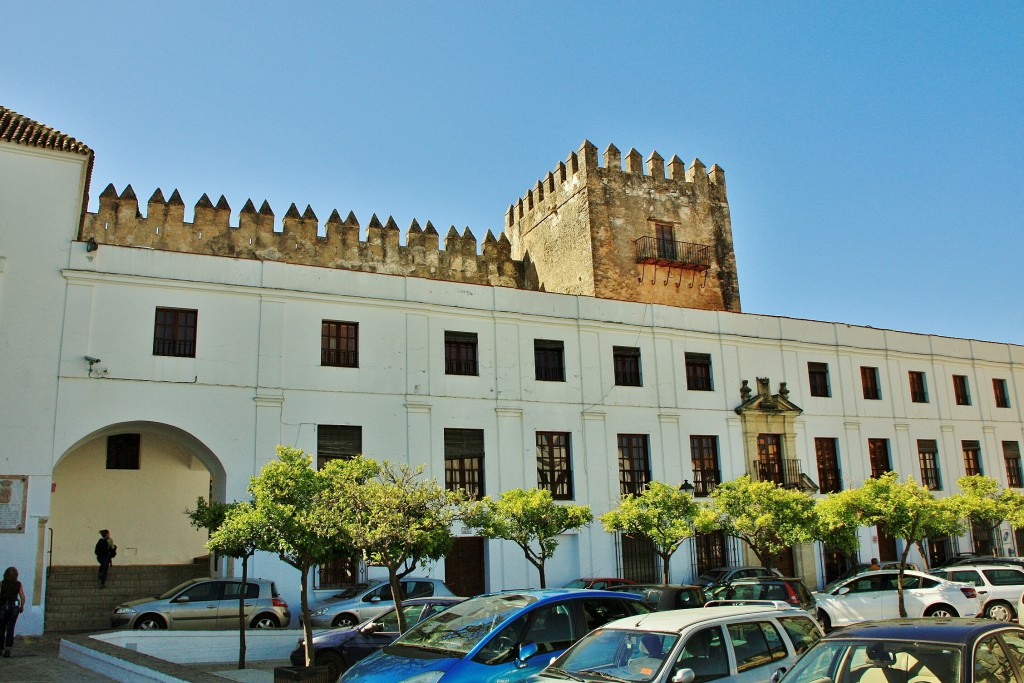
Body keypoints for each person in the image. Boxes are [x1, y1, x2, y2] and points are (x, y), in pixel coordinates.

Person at [0, 566, 26, 657]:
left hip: (3, 606)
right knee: (10, 628)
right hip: (14, 607)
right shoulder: (18, 584)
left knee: (1, 628)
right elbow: (22, 596)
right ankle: (8, 649)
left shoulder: (2, 583)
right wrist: (21, 606)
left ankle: (0, 648)